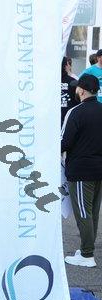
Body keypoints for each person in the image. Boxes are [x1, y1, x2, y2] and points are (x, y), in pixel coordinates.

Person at [62, 74, 102, 268]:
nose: (76, 89)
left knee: (84, 213)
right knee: (93, 211)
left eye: (78, 87)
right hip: (98, 168)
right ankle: (87, 249)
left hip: (80, 170)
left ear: (82, 90)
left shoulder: (75, 112)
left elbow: (64, 142)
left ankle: (87, 254)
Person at [61, 57, 78, 125]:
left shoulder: (48, 83)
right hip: (70, 119)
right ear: (66, 66)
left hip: (51, 118)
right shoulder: (73, 81)